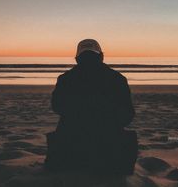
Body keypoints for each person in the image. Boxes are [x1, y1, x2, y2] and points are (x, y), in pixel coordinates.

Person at [46, 39, 137, 176]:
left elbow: (57, 107)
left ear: (77, 59)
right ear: (101, 56)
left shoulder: (65, 79)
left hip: (71, 145)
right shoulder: (117, 79)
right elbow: (127, 115)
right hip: (108, 148)